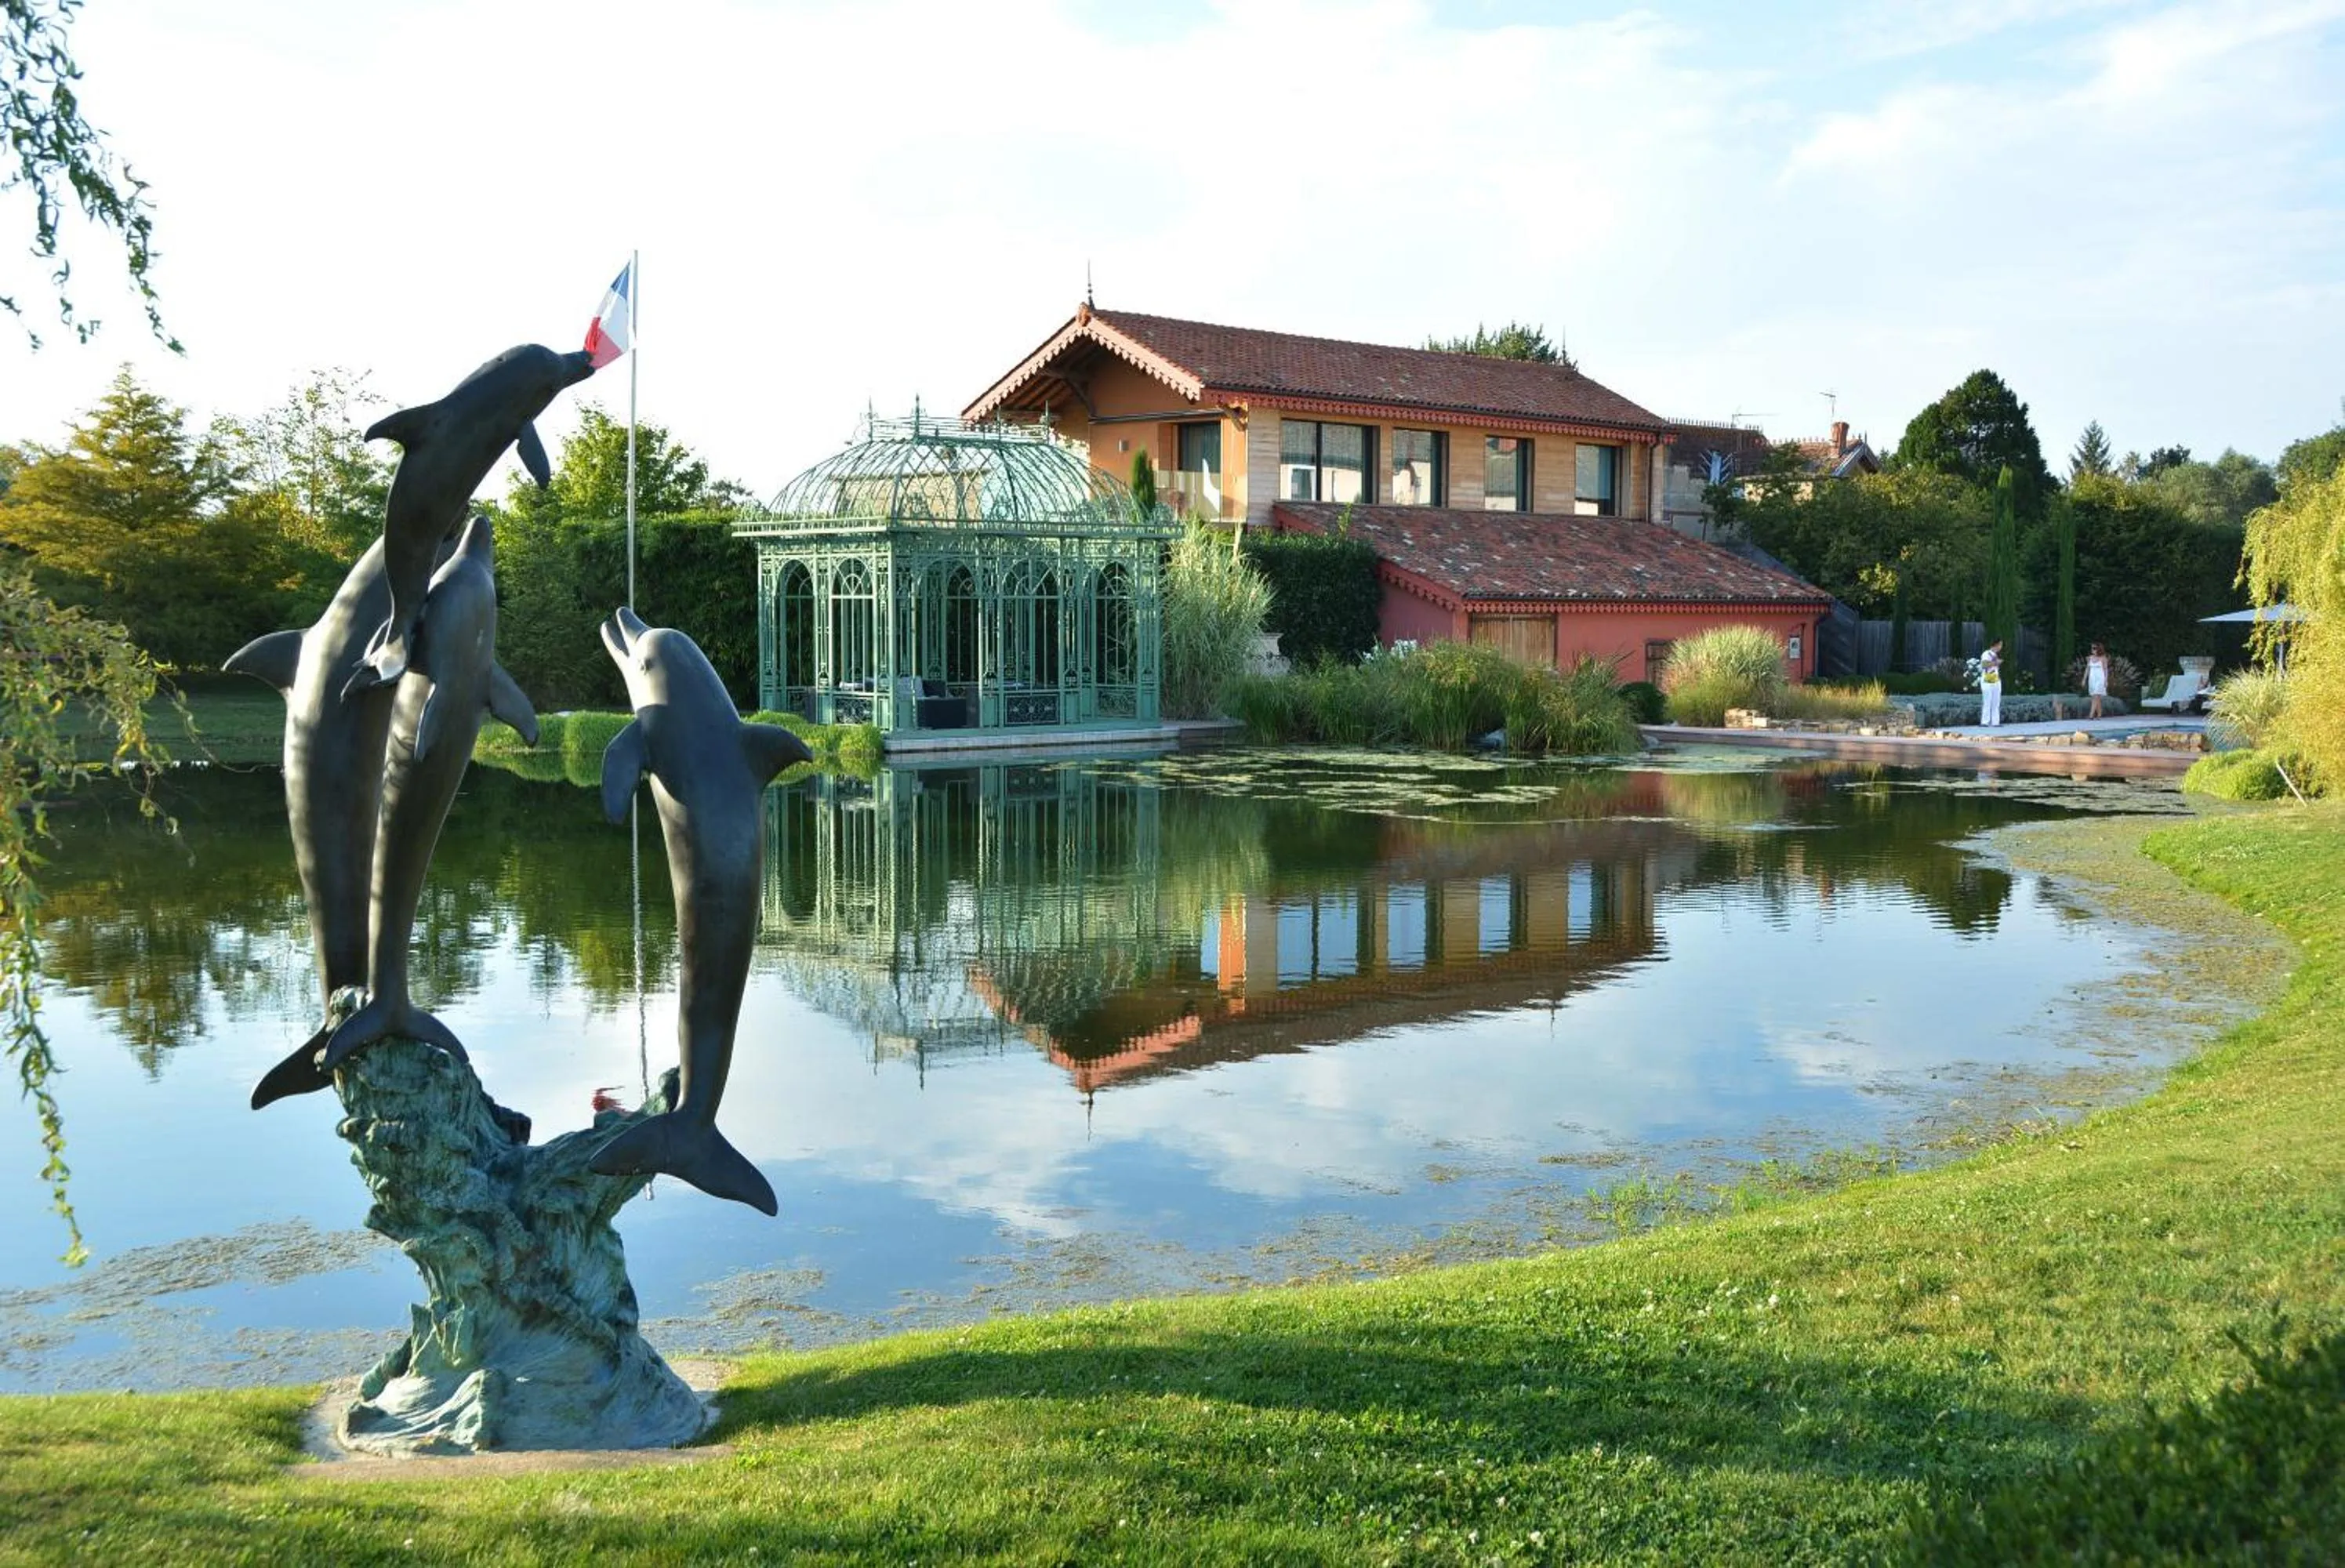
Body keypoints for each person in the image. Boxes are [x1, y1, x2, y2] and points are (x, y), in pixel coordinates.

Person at [1979, 640, 2004, 727]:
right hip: (1987, 681)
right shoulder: (1986, 654)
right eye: (2000, 645)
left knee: (1996, 702)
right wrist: (1996, 663)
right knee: (1987, 701)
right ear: (1995, 645)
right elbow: (1984, 665)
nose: (2001, 647)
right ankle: (1985, 722)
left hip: (1996, 680)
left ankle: (1995, 722)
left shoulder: (1996, 655)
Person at [2085, 641, 2110, 720]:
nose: (2093, 650)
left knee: (2096, 696)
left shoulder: (2103, 659)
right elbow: (2087, 669)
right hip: (2092, 679)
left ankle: (2091, 715)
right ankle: (2099, 714)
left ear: (2099, 649)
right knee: (2096, 697)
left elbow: (2106, 670)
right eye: (2092, 648)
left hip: (2100, 679)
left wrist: (2106, 681)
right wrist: (2084, 679)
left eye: (2094, 648)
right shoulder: (2090, 658)